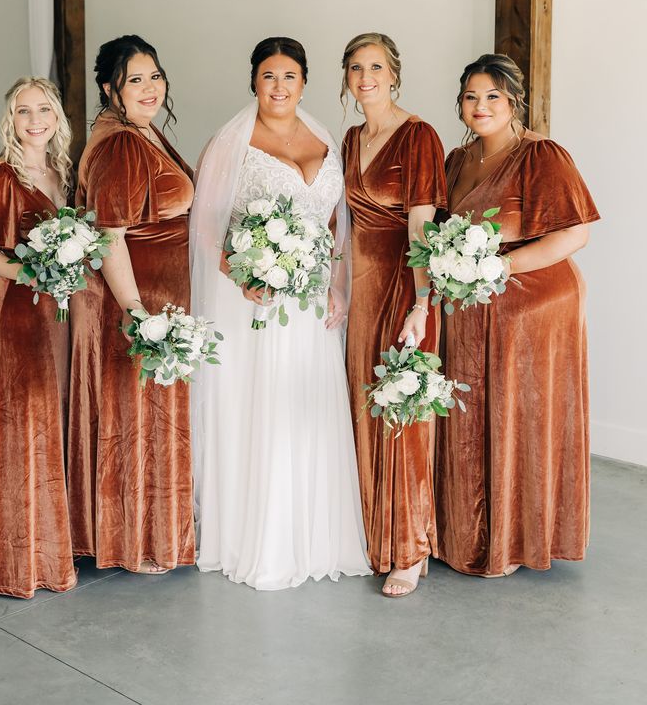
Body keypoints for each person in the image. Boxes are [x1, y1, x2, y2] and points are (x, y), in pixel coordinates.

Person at [189, 36, 370, 590]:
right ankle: (257, 535)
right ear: (253, 82)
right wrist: (243, 275)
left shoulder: (327, 139)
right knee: (259, 404)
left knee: (305, 405)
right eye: (268, 76)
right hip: (254, 301)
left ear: (304, 82)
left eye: (289, 76)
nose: (279, 86)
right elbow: (204, 224)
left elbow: (340, 221)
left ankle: (313, 533)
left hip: (313, 300)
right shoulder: (231, 142)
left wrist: (338, 285)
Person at [435, 53, 600, 576]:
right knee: (471, 414)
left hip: (534, 308)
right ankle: (465, 533)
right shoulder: (458, 161)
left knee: (519, 415)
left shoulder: (541, 155)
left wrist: (499, 267)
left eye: (492, 97)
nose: (480, 106)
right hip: (472, 305)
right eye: (470, 97)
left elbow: (575, 233)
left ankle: (517, 538)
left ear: (513, 102)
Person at [68, 35, 195, 574]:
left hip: (155, 299)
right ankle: (132, 541)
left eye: (154, 76)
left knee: (148, 421)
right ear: (109, 88)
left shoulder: (139, 130)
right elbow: (110, 236)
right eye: (134, 80)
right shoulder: (120, 144)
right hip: (136, 304)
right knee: (132, 423)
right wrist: (137, 314)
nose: (149, 88)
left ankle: (145, 529)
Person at [341, 33, 447, 597]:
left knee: (404, 417)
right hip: (361, 289)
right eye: (356, 68)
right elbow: (346, 224)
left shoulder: (419, 135)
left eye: (376, 67)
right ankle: (378, 536)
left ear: (395, 74)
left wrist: (422, 302)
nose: (366, 78)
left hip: (403, 287)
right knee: (366, 412)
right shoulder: (353, 136)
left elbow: (422, 227)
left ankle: (410, 548)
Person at [0, 77, 76, 598]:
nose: (35, 120)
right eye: (23, 111)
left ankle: (56, 539)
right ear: (11, 119)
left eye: (43, 109)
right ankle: (18, 556)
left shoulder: (65, 173)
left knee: (56, 418)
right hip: (18, 312)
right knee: (21, 424)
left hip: (65, 316)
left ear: (57, 115)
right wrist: (36, 274)